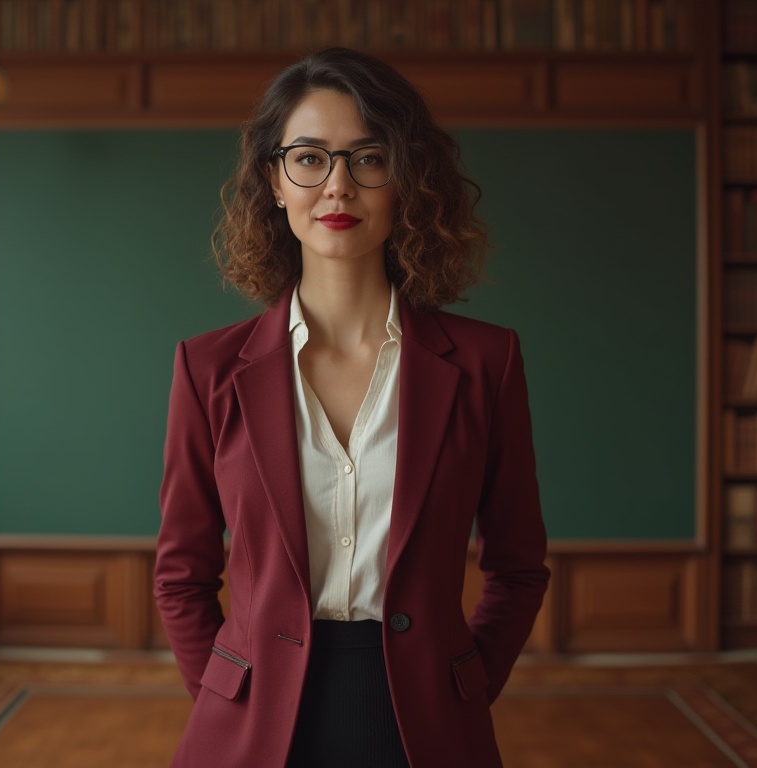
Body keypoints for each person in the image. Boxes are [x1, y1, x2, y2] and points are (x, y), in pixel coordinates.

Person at [154, 46, 550, 768]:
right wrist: (226, 695)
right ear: (274, 180)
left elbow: (519, 566)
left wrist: (465, 687)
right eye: (309, 159)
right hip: (254, 727)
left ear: (405, 180)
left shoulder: (487, 364)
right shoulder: (208, 368)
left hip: (424, 723)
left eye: (368, 158)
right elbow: (181, 573)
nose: (337, 187)